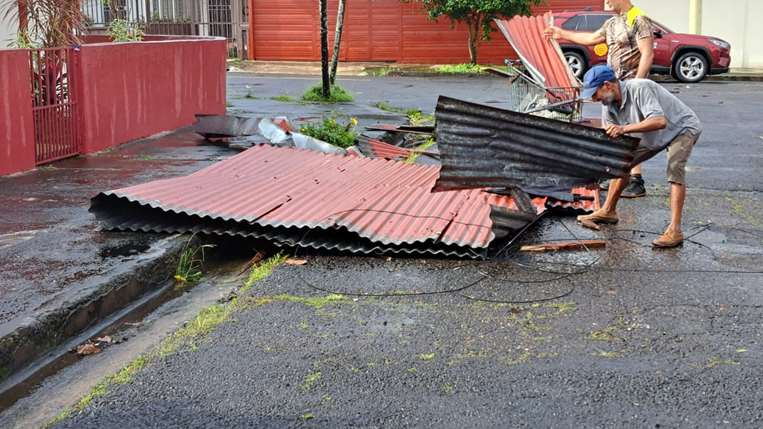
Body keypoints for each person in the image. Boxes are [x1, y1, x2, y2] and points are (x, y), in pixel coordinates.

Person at [576, 65, 702, 248]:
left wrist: (624, 129)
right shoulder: (608, 106)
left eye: (595, 94)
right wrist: (598, 170)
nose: (594, 99)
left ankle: (675, 230)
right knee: (621, 161)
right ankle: (608, 211)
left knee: (675, 169)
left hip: (681, 128)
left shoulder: (640, 88)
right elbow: (614, 145)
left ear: (607, 85)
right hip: (653, 135)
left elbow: (659, 121)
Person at [545, 0, 654, 198]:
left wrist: (638, 84)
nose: (606, 1)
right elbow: (591, 38)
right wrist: (561, 34)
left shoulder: (639, 20)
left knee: (632, 132)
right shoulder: (612, 23)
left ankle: (636, 181)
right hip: (610, 86)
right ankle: (617, 174)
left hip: (629, 86)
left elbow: (647, 53)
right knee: (612, 129)